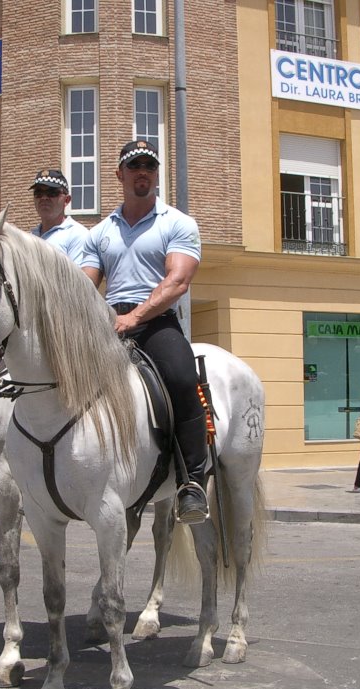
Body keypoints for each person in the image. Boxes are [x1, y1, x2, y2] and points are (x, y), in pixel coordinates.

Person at [78, 139, 209, 524]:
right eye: (134, 166)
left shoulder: (178, 223)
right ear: (119, 174)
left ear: (156, 175)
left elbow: (178, 281)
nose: (142, 172)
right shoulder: (99, 232)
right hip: (107, 323)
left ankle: (192, 483)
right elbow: (85, 285)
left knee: (183, 378)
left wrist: (135, 317)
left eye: (149, 166)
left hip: (156, 322)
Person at [29, 169, 88, 262]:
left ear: (67, 200)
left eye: (52, 193)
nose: (44, 198)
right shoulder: (30, 236)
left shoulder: (77, 235)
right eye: (38, 193)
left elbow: (77, 276)